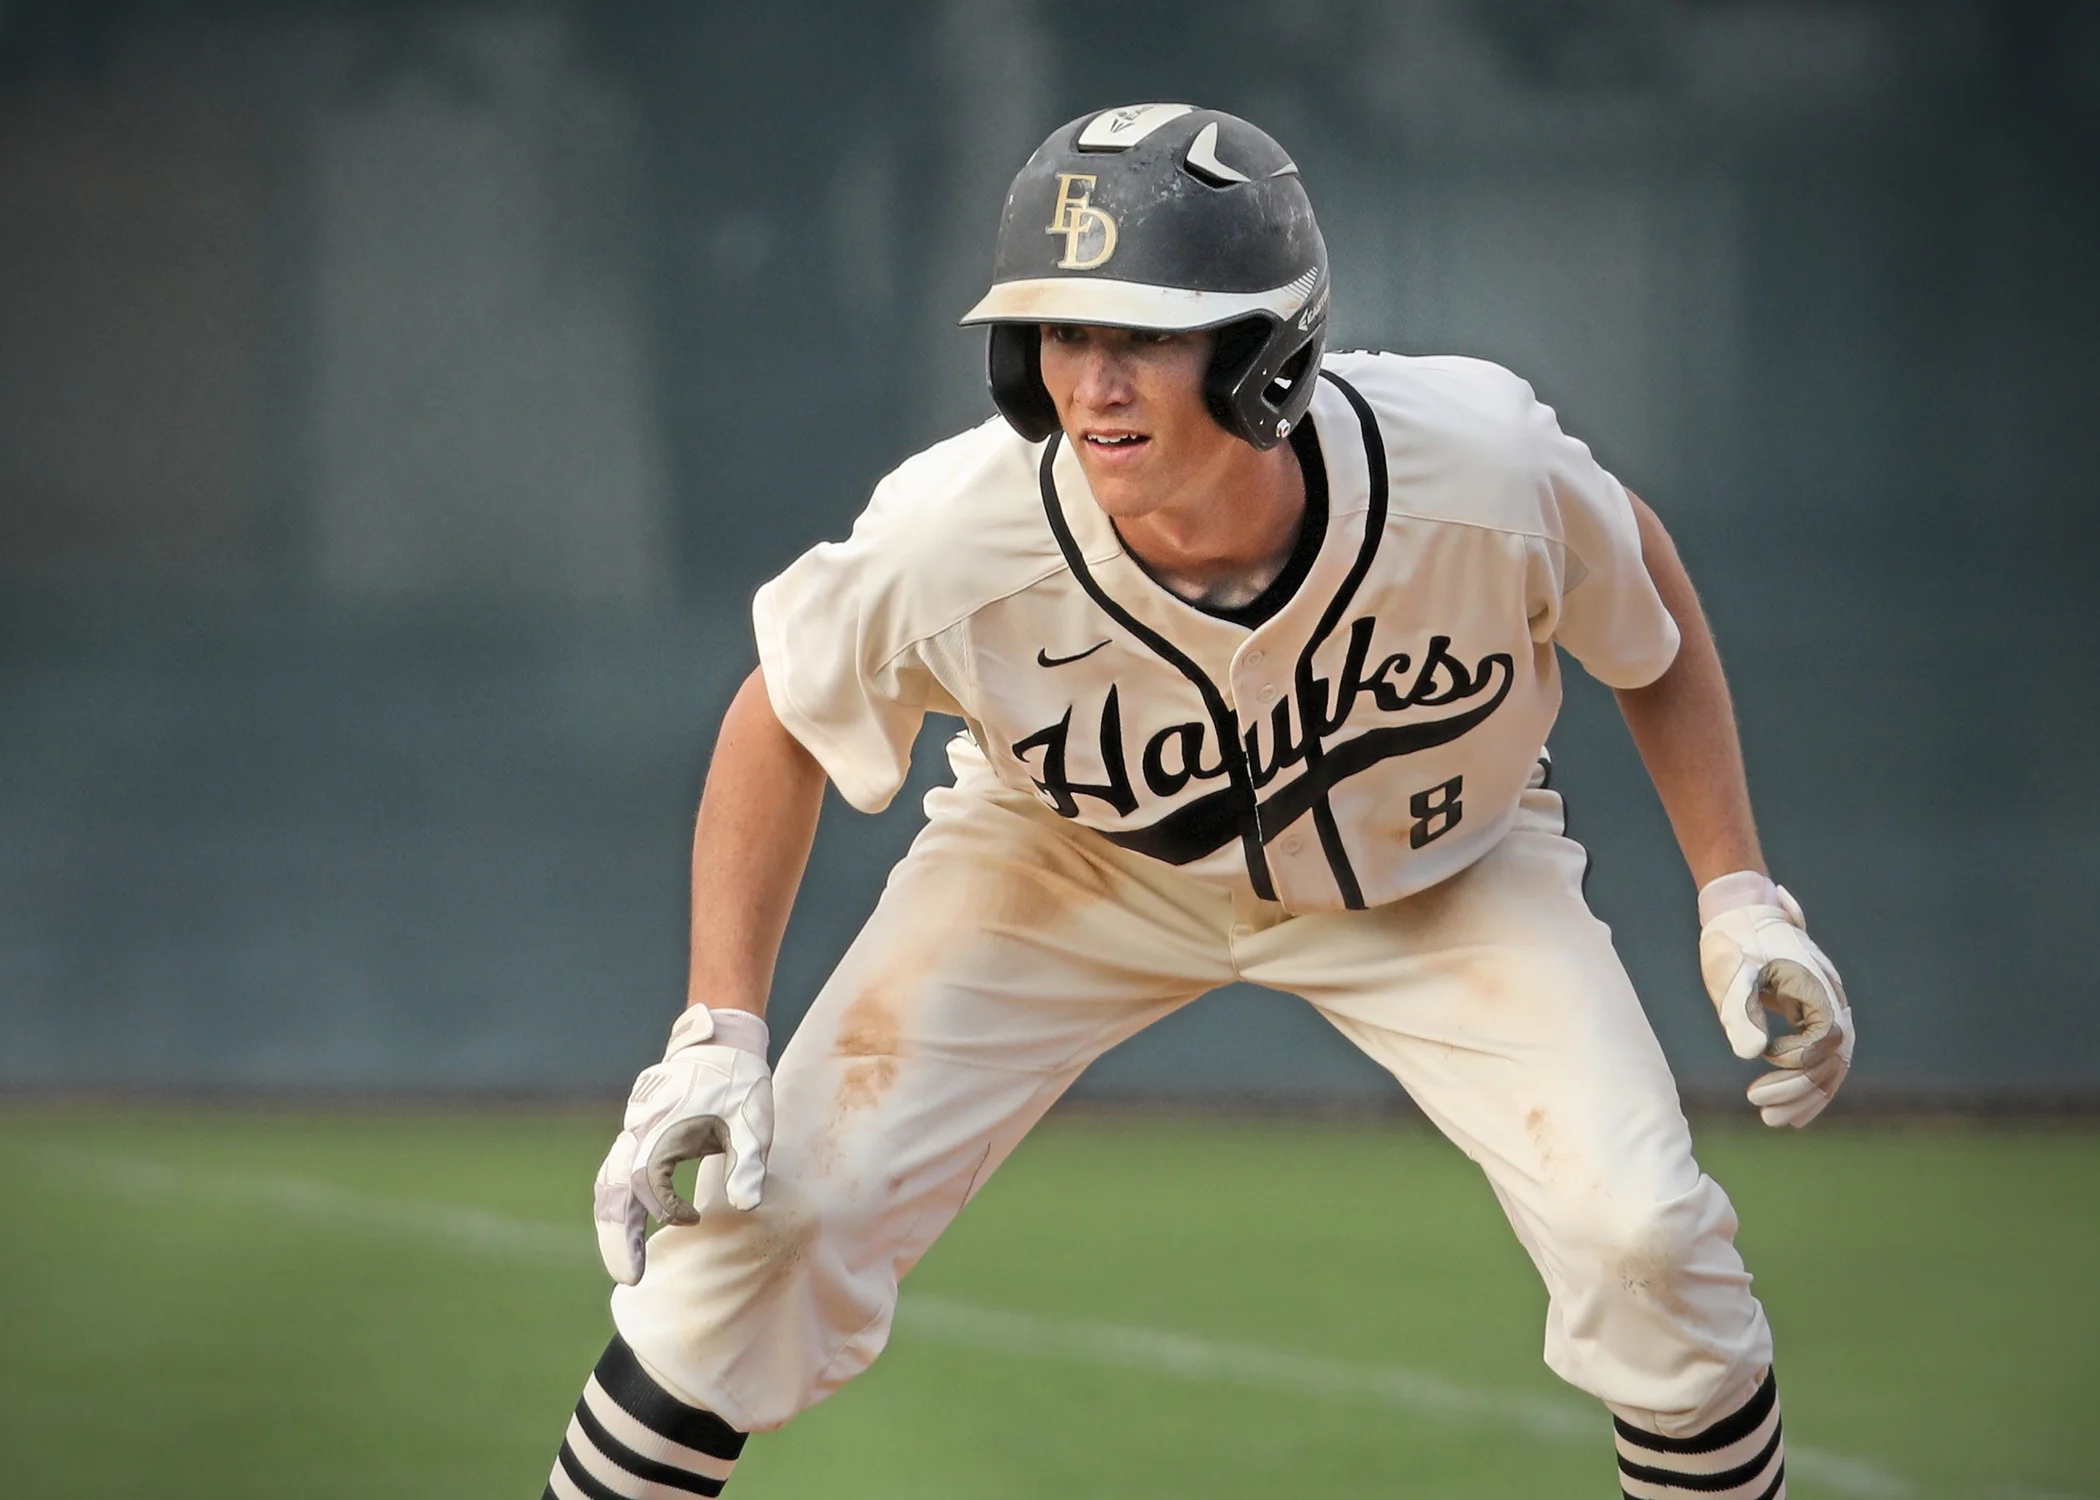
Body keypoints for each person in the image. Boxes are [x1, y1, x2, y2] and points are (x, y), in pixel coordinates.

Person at [542, 103, 1852, 1500]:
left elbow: (1643, 614)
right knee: (767, 1229)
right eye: (1058, 334)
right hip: (1061, 866)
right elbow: (780, 715)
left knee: (1645, 1239)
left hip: (1443, 870)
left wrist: (1737, 899)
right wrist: (717, 1032)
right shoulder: (960, 532)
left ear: (1267, 352)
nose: (1092, 384)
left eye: (1144, 335)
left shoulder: (1478, 472)